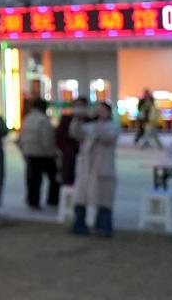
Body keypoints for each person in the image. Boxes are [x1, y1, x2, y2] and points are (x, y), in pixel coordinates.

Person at [69, 101, 121, 237]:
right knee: (81, 197)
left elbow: (107, 137)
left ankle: (104, 227)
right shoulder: (89, 126)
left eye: (102, 110)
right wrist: (78, 118)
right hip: (86, 168)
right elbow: (75, 132)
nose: (99, 112)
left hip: (103, 167)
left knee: (104, 198)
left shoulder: (113, 127)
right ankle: (79, 224)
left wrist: (98, 124)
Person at [16, 97, 60, 209]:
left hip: (29, 153)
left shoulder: (27, 118)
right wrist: (53, 153)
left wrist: (24, 150)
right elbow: (47, 140)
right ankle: (52, 200)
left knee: (33, 179)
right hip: (43, 154)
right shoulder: (43, 120)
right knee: (54, 177)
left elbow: (20, 137)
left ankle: (32, 201)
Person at [55, 105, 80, 204]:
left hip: (77, 156)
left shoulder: (88, 121)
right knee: (68, 180)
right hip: (68, 156)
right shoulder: (67, 120)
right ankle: (67, 204)